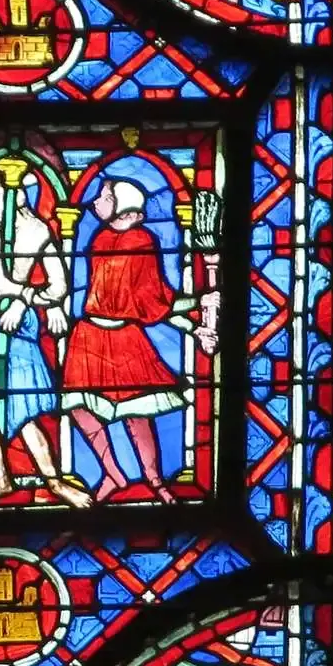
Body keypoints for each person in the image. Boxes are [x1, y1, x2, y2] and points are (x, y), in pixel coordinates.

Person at [63, 179, 219, 504]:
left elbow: (151, 301)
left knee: (137, 412)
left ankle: (155, 480)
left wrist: (195, 310)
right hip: (89, 334)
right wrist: (195, 306)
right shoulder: (100, 239)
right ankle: (111, 472)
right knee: (79, 407)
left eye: (105, 196)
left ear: (122, 206)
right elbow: (150, 304)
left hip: (123, 337)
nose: (97, 201)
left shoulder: (141, 240)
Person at [0, 172, 92, 508]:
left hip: (16, 328)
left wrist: (30, 301)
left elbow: (60, 285)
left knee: (24, 408)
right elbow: (0, 282)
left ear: (17, 196)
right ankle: (0, 477)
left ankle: (55, 481)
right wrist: (32, 296)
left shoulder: (39, 231)